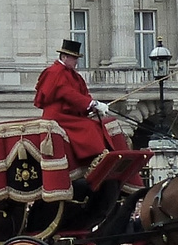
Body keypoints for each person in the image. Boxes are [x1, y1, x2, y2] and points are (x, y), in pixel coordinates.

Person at [34, 39, 131, 167]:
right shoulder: (55, 72)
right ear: (64, 57)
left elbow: (82, 94)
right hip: (59, 115)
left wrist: (92, 107)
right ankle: (94, 158)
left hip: (70, 115)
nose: (76, 61)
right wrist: (91, 103)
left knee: (97, 125)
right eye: (74, 58)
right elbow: (67, 93)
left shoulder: (73, 75)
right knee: (88, 127)